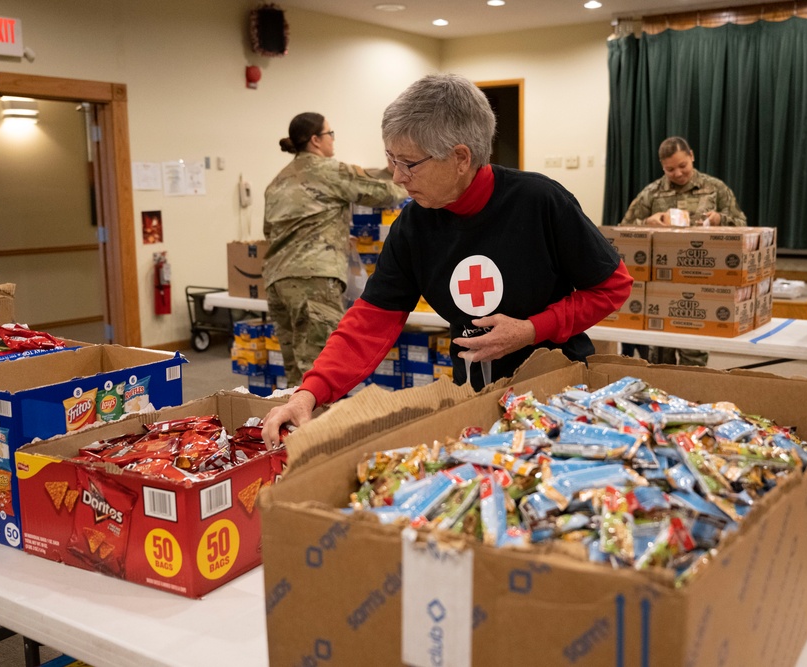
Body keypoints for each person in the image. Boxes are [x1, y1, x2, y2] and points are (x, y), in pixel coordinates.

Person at [262, 74, 633, 446]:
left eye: (408, 163)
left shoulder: (540, 201)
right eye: (391, 159)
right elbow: (370, 320)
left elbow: (612, 286)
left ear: (459, 158)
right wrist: (309, 392)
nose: (397, 176)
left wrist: (532, 329)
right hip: (472, 401)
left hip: (558, 396)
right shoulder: (413, 225)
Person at [263, 112, 407, 387]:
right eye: (331, 134)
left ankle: (293, 429)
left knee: (296, 373)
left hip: (277, 281)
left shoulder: (277, 181)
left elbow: (268, 232)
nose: (333, 140)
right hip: (313, 280)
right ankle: (319, 429)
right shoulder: (328, 170)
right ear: (316, 140)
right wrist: (407, 180)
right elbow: (382, 193)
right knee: (320, 373)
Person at [620, 136, 747, 367]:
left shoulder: (715, 188)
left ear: (692, 156)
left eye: (682, 166)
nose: (678, 173)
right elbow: (622, 230)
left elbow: (743, 226)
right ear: (662, 167)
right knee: (658, 360)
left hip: (701, 283)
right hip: (661, 286)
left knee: (694, 359)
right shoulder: (652, 193)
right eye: (670, 169)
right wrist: (647, 222)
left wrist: (720, 219)